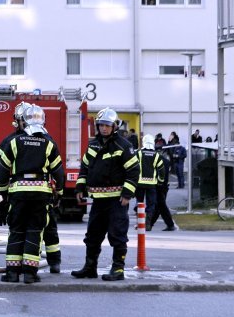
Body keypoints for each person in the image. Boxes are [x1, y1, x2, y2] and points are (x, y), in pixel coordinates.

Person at [0, 104, 64, 284]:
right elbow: (58, 173)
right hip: (40, 194)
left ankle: (11, 273)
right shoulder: (49, 143)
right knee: (34, 231)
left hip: (18, 193)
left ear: (23, 122)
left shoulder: (14, 142)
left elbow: (1, 171)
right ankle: (30, 274)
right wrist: (60, 193)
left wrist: (3, 194)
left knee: (16, 231)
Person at [71, 108, 139, 281]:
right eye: (101, 125)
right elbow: (85, 168)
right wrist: (80, 188)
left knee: (117, 235)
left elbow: (133, 171)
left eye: (107, 125)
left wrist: (127, 193)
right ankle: (90, 268)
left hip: (117, 200)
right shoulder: (93, 144)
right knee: (92, 236)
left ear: (115, 126)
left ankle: (118, 269)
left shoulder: (123, 146)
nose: (104, 128)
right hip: (98, 200)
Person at [135, 134, 163, 231]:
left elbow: (133, 167)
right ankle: (148, 224)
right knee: (151, 204)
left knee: (139, 203)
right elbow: (161, 170)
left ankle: (139, 223)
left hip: (139, 184)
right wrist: (160, 182)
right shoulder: (156, 155)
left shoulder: (138, 153)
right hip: (152, 185)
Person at [150, 149, 178, 231]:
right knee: (159, 206)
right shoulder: (165, 161)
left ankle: (170, 224)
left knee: (161, 205)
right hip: (164, 185)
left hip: (159, 186)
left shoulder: (157, 160)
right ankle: (150, 223)